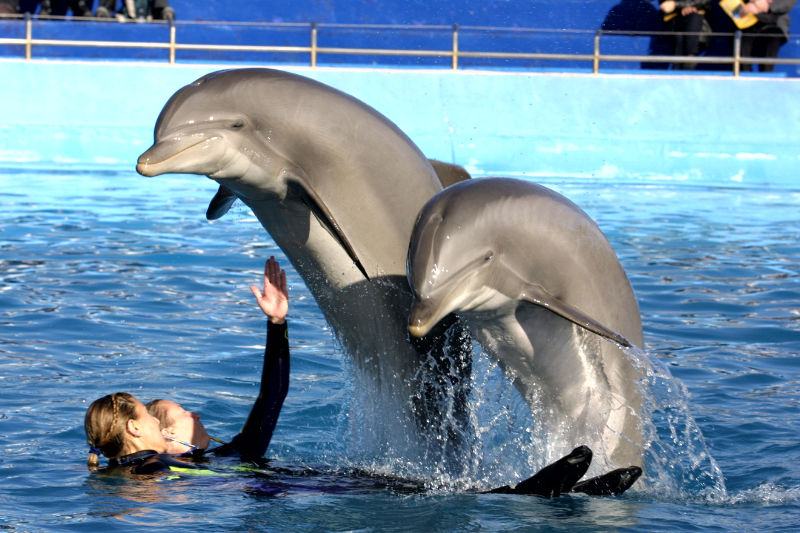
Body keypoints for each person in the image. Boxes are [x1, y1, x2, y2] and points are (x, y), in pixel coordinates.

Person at [84, 256, 290, 474]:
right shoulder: (153, 468)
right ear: (134, 427)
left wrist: (277, 324)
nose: (196, 415)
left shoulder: (228, 456)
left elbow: (272, 396)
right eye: (148, 415)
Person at [737, 0, 798, 72]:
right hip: (746, 19)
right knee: (742, 38)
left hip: (774, 23)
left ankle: (768, 76)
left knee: (773, 36)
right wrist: (753, 4)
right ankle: (744, 75)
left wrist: (768, 6)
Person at [659, 0, 713, 70]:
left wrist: (678, 4)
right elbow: (667, 5)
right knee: (679, 40)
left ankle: (690, 59)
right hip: (676, 23)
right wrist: (682, 8)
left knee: (694, 17)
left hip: (698, 26)